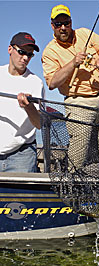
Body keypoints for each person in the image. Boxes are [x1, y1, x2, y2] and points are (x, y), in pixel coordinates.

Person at [42, 4, 99, 172]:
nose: (63, 27)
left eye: (66, 23)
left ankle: (97, 176)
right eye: (58, 24)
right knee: (80, 145)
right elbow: (52, 83)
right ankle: (73, 180)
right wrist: (73, 63)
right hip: (80, 102)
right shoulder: (50, 51)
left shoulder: (84, 33)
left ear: (71, 22)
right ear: (52, 25)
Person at [0, 32, 45, 173]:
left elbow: (38, 123)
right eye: (21, 52)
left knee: (19, 195)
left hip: (22, 154)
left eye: (30, 55)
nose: (25, 58)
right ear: (9, 49)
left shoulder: (36, 83)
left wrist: (28, 107)